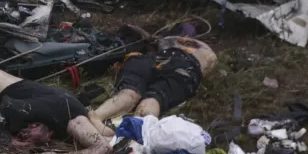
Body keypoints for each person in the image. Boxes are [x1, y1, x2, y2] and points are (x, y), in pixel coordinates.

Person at [0, 68, 114, 154]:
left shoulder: (71, 118)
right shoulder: (72, 117)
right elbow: (102, 147)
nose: (27, 130)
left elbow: (103, 146)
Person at [89, 37, 217, 124]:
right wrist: (188, 40)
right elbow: (207, 53)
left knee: (131, 94)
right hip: (174, 66)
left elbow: (207, 52)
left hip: (160, 63)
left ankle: (96, 116)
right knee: (151, 98)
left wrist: (188, 40)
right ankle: (130, 135)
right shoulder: (200, 54)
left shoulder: (198, 53)